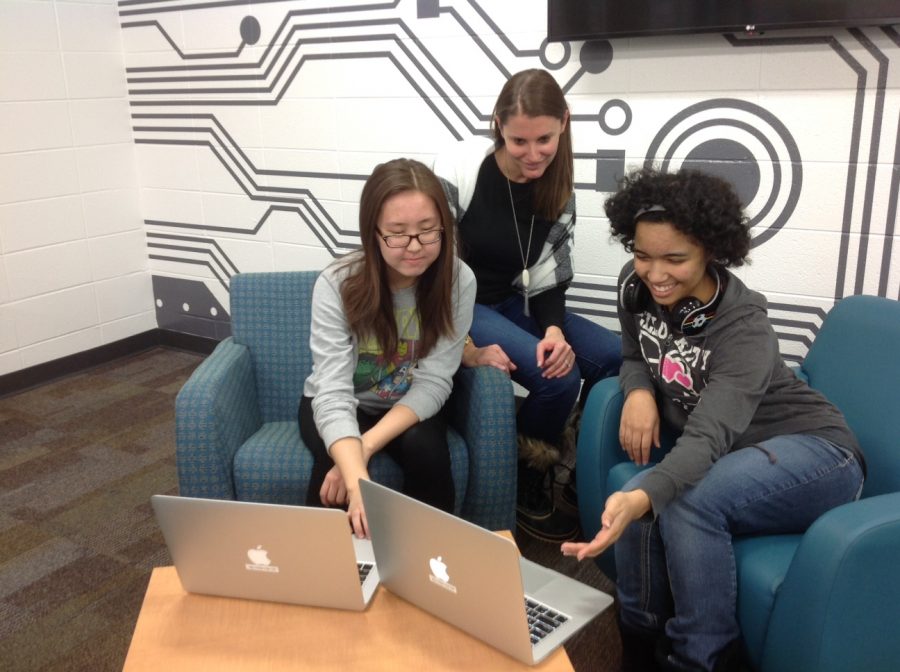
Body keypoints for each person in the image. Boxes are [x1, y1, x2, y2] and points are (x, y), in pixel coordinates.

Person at [562, 167, 866, 671]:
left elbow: (708, 434)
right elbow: (635, 352)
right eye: (642, 255)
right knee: (648, 503)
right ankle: (640, 641)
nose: (655, 273)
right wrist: (637, 390)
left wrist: (646, 492)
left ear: (710, 251)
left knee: (682, 500)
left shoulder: (745, 329)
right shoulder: (637, 289)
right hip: (737, 455)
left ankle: (702, 658)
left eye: (675, 259)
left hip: (817, 453)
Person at [433, 69, 622, 542]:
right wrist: (469, 343)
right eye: (519, 140)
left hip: (515, 303)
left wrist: (554, 331)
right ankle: (523, 475)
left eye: (545, 139)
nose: (533, 154)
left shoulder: (559, 189)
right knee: (559, 379)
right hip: (461, 303)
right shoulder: (460, 167)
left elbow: (549, 278)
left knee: (615, 357)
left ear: (564, 123)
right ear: (498, 124)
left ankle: (585, 472)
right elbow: (432, 268)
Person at [298, 158, 476, 539]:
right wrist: (355, 475)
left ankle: (430, 564)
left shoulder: (458, 281)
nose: (414, 247)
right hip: (342, 401)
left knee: (426, 449)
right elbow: (331, 393)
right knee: (332, 484)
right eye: (397, 233)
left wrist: (363, 448)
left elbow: (434, 382)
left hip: (410, 403)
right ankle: (331, 578)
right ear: (372, 232)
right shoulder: (337, 283)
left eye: (428, 231)